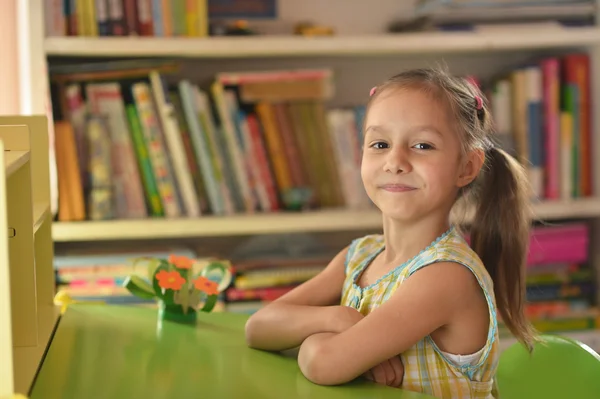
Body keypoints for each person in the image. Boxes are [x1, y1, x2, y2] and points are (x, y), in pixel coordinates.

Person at [244, 67, 537, 399]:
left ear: (466, 167)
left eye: (423, 145)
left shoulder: (445, 275)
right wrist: (340, 319)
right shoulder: (360, 256)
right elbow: (259, 327)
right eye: (380, 143)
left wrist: (319, 338)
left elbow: (323, 363)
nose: (395, 161)